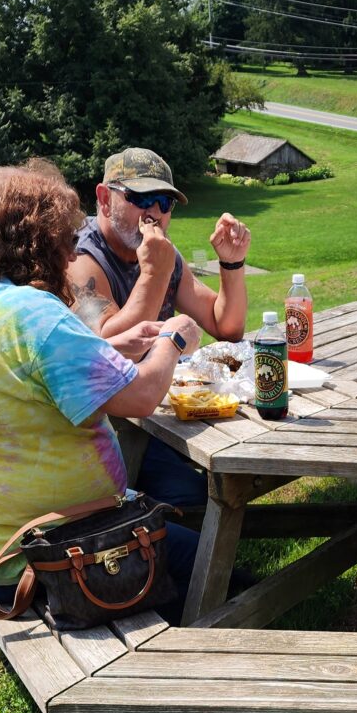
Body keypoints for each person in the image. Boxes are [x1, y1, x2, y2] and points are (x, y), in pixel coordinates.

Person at [0, 161, 202, 610]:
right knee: (215, 571)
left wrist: (112, 346)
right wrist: (175, 337)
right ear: (38, 241)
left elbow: (34, 371)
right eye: (68, 241)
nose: (72, 256)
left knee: (183, 537)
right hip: (34, 557)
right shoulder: (33, 313)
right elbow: (144, 397)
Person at [68, 147, 252, 508]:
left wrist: (232, 264)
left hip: (164, 412)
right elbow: (109, 346)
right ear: (104, 199)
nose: (153, 213)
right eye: (140, 198)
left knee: (246, 462)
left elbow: (225, 326)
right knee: (195, 498)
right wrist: (155, 273)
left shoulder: (159, 253)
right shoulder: (81, 258)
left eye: (165, 203)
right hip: (112, 428)